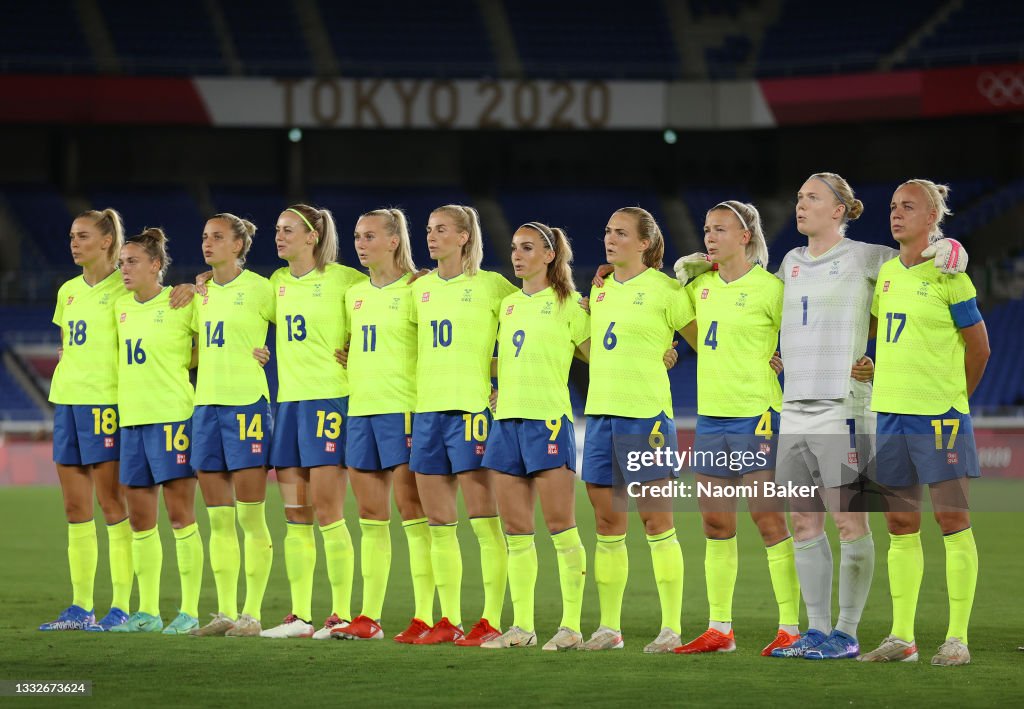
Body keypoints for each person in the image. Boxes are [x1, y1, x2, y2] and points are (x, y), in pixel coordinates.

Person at [675, 171, 970, 660]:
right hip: (794, 409)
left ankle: (847, 632)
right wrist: (706, 268)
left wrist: (953, 248)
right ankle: (815, 630)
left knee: (850, 523)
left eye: (812, 198)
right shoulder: (789, 263)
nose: (801, 204)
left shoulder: (866, 257)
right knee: (805, 524)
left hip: (842, 409)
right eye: (798, 197)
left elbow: (915, 263)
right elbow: (749, 307)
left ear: (839, 210)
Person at [858, 179, 988, 666]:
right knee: (899, 524)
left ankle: (957, 638)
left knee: (952, 521)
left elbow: (980, 348)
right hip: (889, 412)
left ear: (933, 218)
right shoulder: (888, 274)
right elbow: (886, 336)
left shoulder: (952, 276)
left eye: (908, 207)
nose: (896, 214)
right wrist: (875, 368)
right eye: (893, 206)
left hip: (939, 417)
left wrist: (956, 402)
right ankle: (902, 638)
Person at [671, 201, 802, 657]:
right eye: (706, 229)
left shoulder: (771, 289)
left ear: (745, 236)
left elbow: (805, 336)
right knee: (714, 522)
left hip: (757, 413)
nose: (709, 237)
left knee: (767, 519)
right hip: (711, 415)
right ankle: (719, 629)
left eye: (720, 229)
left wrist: (787, 363)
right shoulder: (699, 287)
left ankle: (790, 627)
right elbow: (674, 322)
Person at [475, 222, 590, 651]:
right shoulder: (507, 305)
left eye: (527, 248)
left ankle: (572, 627)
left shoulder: (569, 306)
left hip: (549, 423)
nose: (517, 255)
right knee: (517, 531)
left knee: (561, 527)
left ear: (549, 254)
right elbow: (505, 359)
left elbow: (602, 355)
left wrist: (663, 354)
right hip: (506, 423)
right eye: (514, 248)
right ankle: (521, 626)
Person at [581, 206, 690, 653]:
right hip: (601, 414)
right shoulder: (600, 289)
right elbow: (594, 349)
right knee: (607, 524)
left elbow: (704, 339)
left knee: (657, 521)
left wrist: (674, 349)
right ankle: (609, 628)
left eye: (621, 233)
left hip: (646, 417)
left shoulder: (666, 290)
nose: (610, 239)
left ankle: (671, 628)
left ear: (645, 243)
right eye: (607, 231)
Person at [407, 204, 516, 646]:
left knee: (484, 521)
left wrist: (500, 382)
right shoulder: (419, 289)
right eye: (429, 229)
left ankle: (489, 619)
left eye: (441, 230)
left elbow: (531, 326)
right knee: (438, 522)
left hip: (471, 412)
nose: (431, 237)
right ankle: (448, 619)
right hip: (427, 410)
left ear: (465, 236)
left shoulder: (493, 287)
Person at [260, 205, 367, 639]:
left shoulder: (347, 280)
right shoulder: (276, 283)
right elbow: (240, 306)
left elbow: (388, 307)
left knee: (328, 511)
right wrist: (201, 286)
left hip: (329, 403)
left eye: (288, 230)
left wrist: (356, 348)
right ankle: (299, 616)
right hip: (289, 408)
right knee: (295, 513)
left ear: (313, 235)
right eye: (277, 230)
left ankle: (340, 614)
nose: (279, 237)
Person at [329, 209, 435, 643]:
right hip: (361, 411)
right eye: (356, 236)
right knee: (371, 517)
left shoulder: (418, 289)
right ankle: (368, 617)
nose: (360, 243)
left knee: (414, 515)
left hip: (403, 410)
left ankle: (425, 616)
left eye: (369, 236)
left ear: (394, 241)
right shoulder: (353, 294)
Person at [41, 209, 133, 632]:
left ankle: (121, 606)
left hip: (106, 406)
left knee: (113, 506)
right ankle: (80, 607)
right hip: (69, 403)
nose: (74, 243)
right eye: (71, 235)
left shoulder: (127, 289)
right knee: (76, 508)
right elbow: (67, 347)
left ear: (106, 242)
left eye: (82, 236)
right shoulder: (68, 291)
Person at [109, 228, 203, 634]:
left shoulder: (183, 302)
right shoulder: (120, 308)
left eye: (132, 262)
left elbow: (215, 343)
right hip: (131, 419)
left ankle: (190, 610)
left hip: (173, 418)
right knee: (140, 521)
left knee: (181, 517)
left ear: (155, 266)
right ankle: (146, 611)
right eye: (122, 262)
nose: (124, 269)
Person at [188, 214, 276, 637]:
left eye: (218, 237)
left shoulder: (262, 289)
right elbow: (184, 347)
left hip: (246, 407)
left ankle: (252, 614)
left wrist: (268, 353)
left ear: (239, 245)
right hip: (205, 407)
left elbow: (303, 329)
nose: (208, 244)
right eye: (205, 237)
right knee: (218, 519)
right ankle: (224, 611)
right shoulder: (196, 294)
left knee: (250, 517)